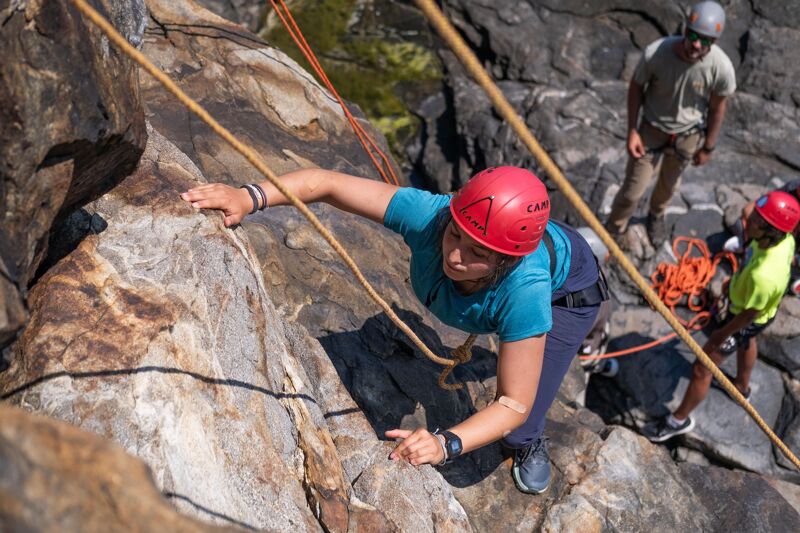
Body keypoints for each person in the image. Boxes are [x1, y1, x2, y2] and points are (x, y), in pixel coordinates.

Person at [181, 166, 608, 494]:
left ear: (504, 261)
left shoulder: (526, 294)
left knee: (517, 427)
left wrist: (447, 444)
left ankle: (531, 443)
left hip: (568, 294)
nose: (455, 257)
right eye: (455, 236)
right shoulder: (433, 216)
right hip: (516, 236)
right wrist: (249, 196)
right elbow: (326, 183)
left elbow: (513, 402)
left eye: (475, 252)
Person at [642, 191, 800, 442]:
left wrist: (721, 333)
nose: (749, 221)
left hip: (744, 317)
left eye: (758, 221)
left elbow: (749, 314)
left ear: (771, 230)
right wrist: (734, 285)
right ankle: (741, 387)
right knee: (749, 340)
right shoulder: (784, 240)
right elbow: (750, 212)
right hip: (760, 313)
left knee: (701, 369)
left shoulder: (764, 276)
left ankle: (677, 421)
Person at [605, 1, 736, 246]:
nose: (696, 44)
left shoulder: (721, 67)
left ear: (714, 42)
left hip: (688, 136)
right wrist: (632, 130)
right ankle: (613, 229)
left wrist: (708, 146)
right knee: (633, 189)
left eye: (705, 40)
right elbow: (636, 87)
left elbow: (718, 106)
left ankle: (656, 215)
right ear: (685, 30)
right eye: (693, 35)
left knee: (668, 184)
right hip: (651, 131)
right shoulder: (657, 53)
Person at [725, 178, 800, 296]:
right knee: (741, 223)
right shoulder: (794, 187)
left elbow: (753, 312)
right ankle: (747, 243)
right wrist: (754, 222)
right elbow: (751, 207)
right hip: (781, 232)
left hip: (788, 244)